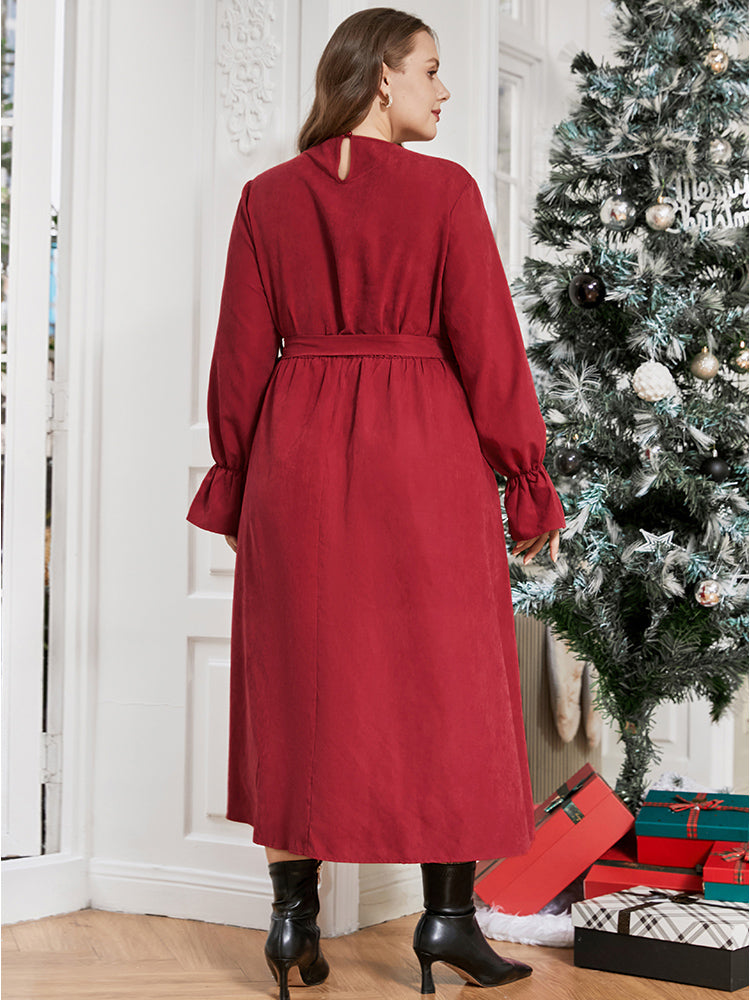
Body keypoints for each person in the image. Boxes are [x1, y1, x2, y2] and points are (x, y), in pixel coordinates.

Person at [186, 7, 565, 998]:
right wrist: (526, 482)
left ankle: (291, 923)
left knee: (296, 683)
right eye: (431, 70)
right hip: (425, 459)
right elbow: (488, 348)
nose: (445, 90)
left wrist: (238, 480)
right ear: (382, 76)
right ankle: (448, 923)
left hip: (295, 462)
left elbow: (238, 360)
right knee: (449, 681)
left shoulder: (267, 199)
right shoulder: (445, 193)